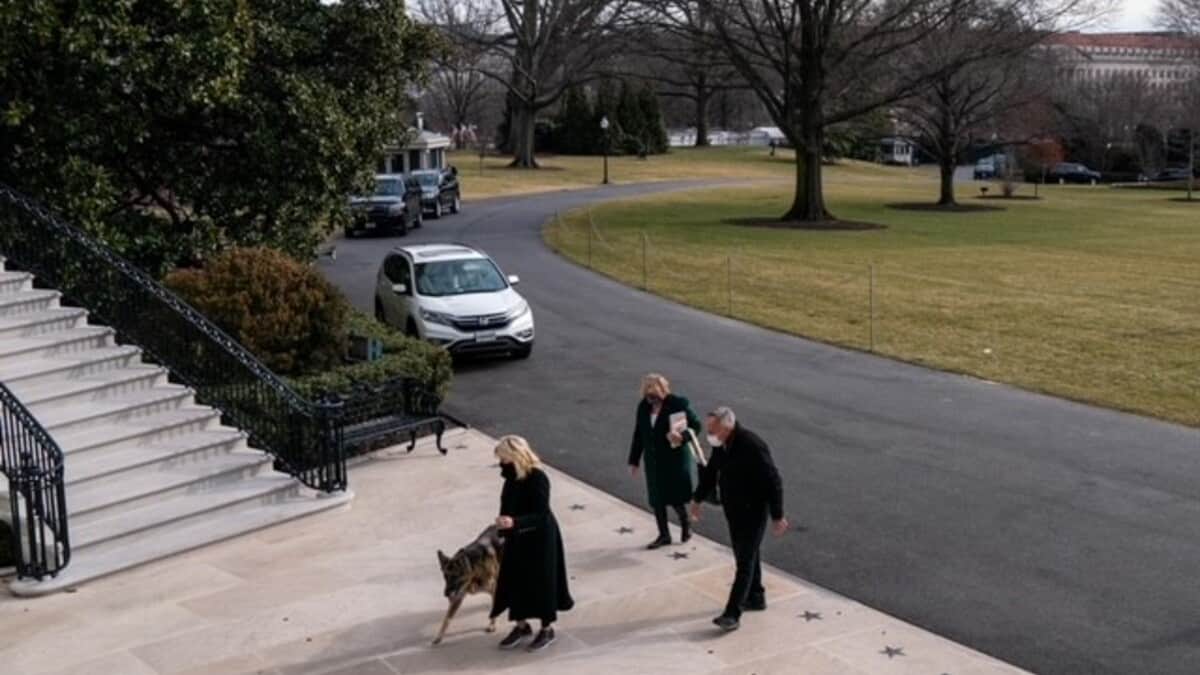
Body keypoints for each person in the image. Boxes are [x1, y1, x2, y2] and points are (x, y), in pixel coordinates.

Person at [689, 407, 788, 633]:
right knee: (748, 554)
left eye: (713, 429)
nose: (709, 434)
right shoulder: (721, 446)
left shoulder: (752, 445)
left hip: (753, 511)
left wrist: (777, 515)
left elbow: (774, 480)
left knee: (744, 562)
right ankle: (756, 596)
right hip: (733, 510)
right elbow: (711, 474)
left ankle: (732, 613)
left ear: (726, 427)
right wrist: (697, 500)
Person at [490, 435, 574, 651]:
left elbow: (541, 514)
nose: (501, 463)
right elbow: (506, 504)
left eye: (503, 458)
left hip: (540, 539)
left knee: (541, 582)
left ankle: (547, 628)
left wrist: (514, 522)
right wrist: (503, 522)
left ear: (514, 457)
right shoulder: (510, 478)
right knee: (515, 580)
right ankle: (521, 625)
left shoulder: (537, 478)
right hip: (517, 537)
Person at [628, 373, 703, 549]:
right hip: (654, 461)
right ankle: (664, 534)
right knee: (657, 499)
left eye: (654, 394)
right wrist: (634, 460)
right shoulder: (644, 408)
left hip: (674, 460)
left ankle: (685, 524)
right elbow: (639, 434)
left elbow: (696, 425)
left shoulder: (677, 405)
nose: (651, 398)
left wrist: (682, 436)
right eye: (647, 394)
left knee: (675, 496)